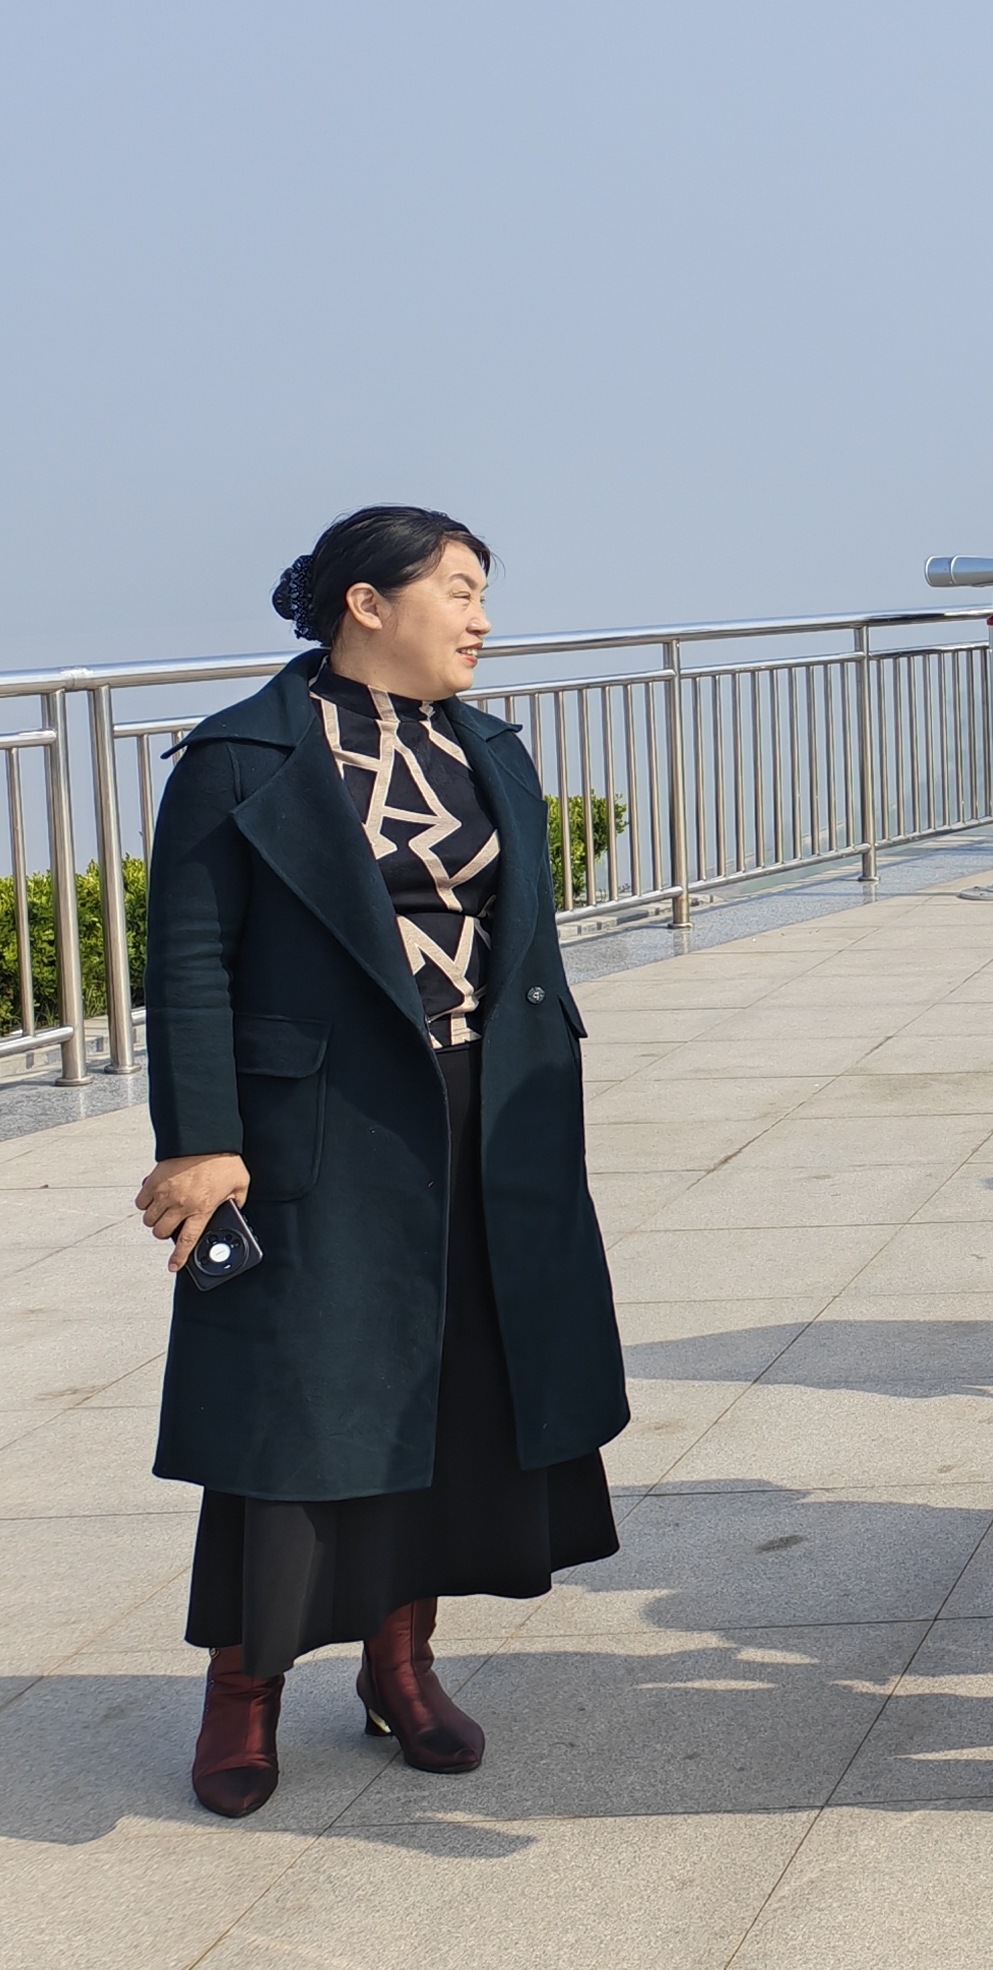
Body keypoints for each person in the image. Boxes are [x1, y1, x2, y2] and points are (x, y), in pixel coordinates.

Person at [133, 507, 628, 1817]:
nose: (481, 620)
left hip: (482, 1113)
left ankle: (399, 1665)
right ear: (368, 602)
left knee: (452, 1394)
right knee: (295, 1411)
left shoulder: (489, 750)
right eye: (458, 591)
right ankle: (243, 1691)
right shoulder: (243, 757)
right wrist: (200, 1142)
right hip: (317, 1129)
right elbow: (189, 959)